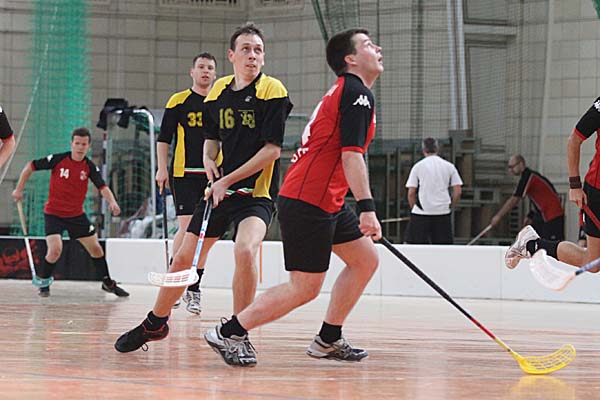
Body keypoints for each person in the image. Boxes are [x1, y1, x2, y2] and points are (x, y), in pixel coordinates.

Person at [202, 27, 383, 367]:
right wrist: (367, 208)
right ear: (351, 58)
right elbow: (351, 156)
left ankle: (328, 339)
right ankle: (229, 331)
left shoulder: (348, 91)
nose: (378, 50)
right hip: (309, 198)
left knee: (365, 260)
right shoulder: (357, 94)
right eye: (369, 45)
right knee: (305, 287)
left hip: (326, 198)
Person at [114, 22, 293, 353]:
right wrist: (209, 158)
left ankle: (238, 334)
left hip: (255, 195)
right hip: (219, 193)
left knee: (245, 249)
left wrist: (226, 180)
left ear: (264, 57)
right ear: (232, 55)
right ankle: (156, 322)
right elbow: (211, 137)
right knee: (183, 256)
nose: (252, 55)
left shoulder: (273, 91)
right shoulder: (219, 91)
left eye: (258, 50)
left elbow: (272, 151)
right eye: (246, 49)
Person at [11, 127, 128, 297]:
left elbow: (102, 186)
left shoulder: (89, 167)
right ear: (71, 144)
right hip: (54, 214)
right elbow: (30, 166)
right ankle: (44, 282)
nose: (80, 147)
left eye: (84, 144)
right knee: (55, 250)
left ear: (88, 146)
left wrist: (112, 201)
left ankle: (108, 283)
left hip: (76, 216)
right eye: (77, 143)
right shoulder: (58, 159)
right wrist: (19, 189)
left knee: (96, 249)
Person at [505, 97, 600, 272]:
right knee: (593, 262)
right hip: (597, 191)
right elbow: (574, 140)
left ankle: (531, 245)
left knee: (594, 263)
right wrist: (575, 186)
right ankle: (531, 245)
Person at [156, 52, 217, 314]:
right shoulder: (179, 101)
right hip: (184, 174)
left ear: (215, 74)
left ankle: (194, 288)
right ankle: (174, 283)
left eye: (210, 68)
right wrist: (161, 168)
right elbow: (164, 138)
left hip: (212, 175)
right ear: (192, 72)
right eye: (201, 67)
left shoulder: (220, 101)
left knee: (204, 234)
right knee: (187, 229)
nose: (205, 71)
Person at [490, 154, 564, 241]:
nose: (511, 170)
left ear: (521, 164)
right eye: (509, 168)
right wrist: (530, 216)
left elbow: (514, 199)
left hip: (552, 216)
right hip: (545, 215)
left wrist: (498, 216)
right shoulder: (531, 176)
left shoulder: (528, 177)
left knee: (551, 244)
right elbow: (538, 200)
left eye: (512, 167)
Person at [404, 138, 462, 244]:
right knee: (443, 248)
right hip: (442, 212)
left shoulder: (418, 166)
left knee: (415, 246)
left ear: (423, 149)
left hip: (421, 212)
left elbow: (411, 193)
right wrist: (450, 206)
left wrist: (414, 208)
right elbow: (458, 191)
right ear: (437, 149)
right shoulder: (449, 166)